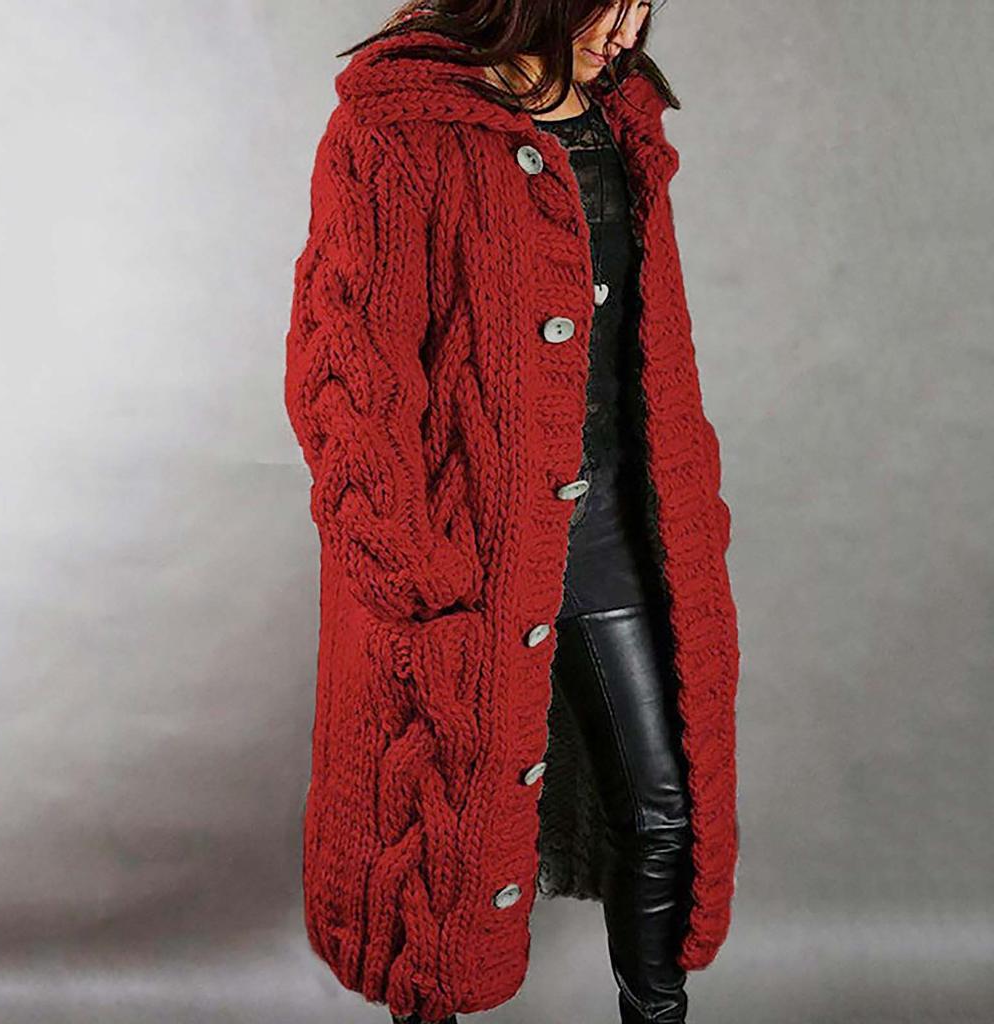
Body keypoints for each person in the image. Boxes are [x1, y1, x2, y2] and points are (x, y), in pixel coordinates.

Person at [283, 3, 741, 1023]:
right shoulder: (399, 125)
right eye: (612, 2)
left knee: (665, 810)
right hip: (468, 549)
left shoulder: (619, 117)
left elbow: (648, 342)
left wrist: (690, 495)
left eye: (646, 6)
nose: (628, 30)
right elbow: (346, 368)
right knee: (437, 849)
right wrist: (413, 569)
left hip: (619, 526)